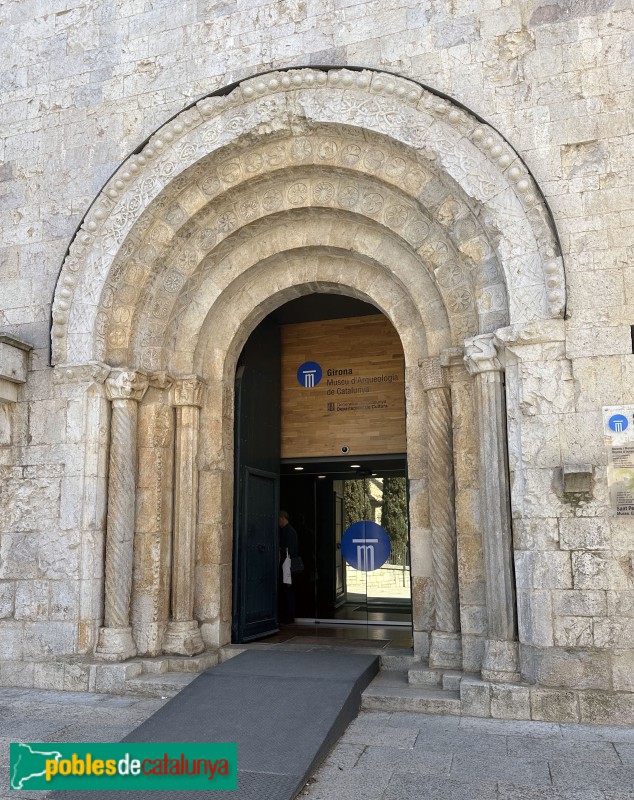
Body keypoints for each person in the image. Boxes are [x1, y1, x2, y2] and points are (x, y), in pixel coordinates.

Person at [278, 510, 298, 624]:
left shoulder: (288, 532)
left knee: (288, 589)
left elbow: (289, 549)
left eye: (279, 519)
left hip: (288, 564)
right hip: (288, 563)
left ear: (282, 518)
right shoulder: (290, 530)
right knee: (288, 589)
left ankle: (289, 616)